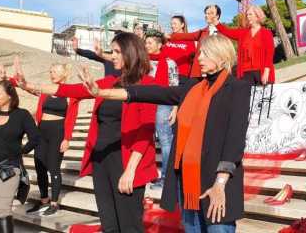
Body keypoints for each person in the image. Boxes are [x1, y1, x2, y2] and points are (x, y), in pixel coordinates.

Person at [82, 34, 250, 233]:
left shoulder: (237, 88)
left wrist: (220, 184)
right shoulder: (192, 87)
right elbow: (149, 93)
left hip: (216, 183)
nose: (199, 59)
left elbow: (235, 140)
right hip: (187, 183)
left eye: (205, 54)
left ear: (222, 57)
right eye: (200, 53)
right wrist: (102, 93)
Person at [14, 32, 158, 233]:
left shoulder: (149, 85)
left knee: (129, 226)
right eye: (112, 51)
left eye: (117, 51)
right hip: (101, 160)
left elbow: (146, 130)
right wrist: (27, 84)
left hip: (126, 161)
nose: (112, 56)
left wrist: (130, 170)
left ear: (131, 53)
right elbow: (68, 90)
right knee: (109, 225)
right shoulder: (108, 82)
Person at [0, 63, 80, 217]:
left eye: (55, 71)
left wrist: (67, 138)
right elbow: (27, 87)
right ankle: (44, 200)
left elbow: (72, 118)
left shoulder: (70, 93)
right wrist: (6, 78)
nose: (52, 74)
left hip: (58, 132)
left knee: (53, 167)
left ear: (64, 74)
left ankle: (54, 203)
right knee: (39, 165)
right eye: (50, 71)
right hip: (41, 131)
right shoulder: (46, 91)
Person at [0, 80, 40, 233]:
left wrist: (21, 151)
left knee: (2, 210)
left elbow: (35, 137)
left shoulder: (22, 115)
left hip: (9, 169)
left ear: (10, 95)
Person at [145, 31, 179, 189]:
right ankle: (147, 174)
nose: (147, 45)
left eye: (150, 42)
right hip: (145, 103)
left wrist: (175, 109)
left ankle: (166, 178)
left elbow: (174, 86)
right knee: (144, 139)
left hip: (163, 103)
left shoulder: (170, 62)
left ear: (159, 45)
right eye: (146, 43)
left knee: (165, 141)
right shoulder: (142, 62)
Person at [216, 5, 275, 85]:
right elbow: (227, 31)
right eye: (247, 15)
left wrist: (266, 72)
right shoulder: (243, 33)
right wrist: (216, 22)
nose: (248, 17)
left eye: (250, 14)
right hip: (245, 73)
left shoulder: (266, 33)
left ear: (257, 15)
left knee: (265, 97)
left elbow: (269, 54)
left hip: (261, 72)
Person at [169, 5, 222, 79]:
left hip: (216, 72)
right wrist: (169, 36)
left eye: (210, 13)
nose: (207, 16)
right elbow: (187, 36)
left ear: (217, 16)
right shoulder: (202, 32)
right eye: (206, 13)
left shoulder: (224, 32)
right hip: (199, 74)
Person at [163, 15, 196, 85]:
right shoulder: (167, 39)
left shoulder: (189, 40)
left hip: (181, 77)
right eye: (171, 24)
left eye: (175, 24)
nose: (172, 26)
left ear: (182, 25)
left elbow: (193, 59)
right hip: (165, 74)